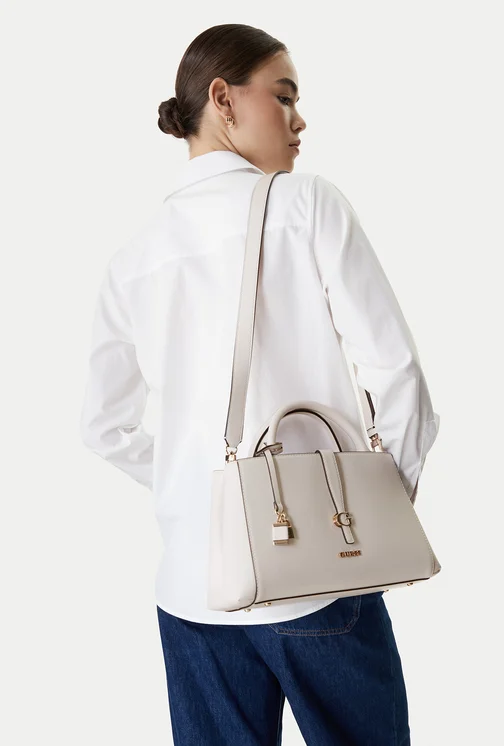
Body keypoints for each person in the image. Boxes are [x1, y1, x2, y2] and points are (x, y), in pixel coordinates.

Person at [80, 22, 440, 746]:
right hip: (317, 574)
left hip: (190, 589)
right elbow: (398, 376)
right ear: (223, 98)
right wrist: (370, 509)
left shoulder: (133, 257)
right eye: (283, 96)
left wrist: (202, 491)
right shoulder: (306, 205)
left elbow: (102, 427)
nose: (299, 120)